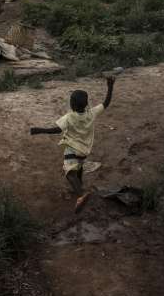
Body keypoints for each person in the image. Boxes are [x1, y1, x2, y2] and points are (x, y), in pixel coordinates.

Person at [30, 75, 116, 213]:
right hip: (85, 149)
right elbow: (106, 103)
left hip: (72, 149)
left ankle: (81, 195)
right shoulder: (91, 113)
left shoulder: (69, 117)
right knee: (79, 167)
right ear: (86, 104)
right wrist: (110, 86)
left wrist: (38, 130)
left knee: (69, 173)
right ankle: (79, 187)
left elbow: (56, 129)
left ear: (72, 105)